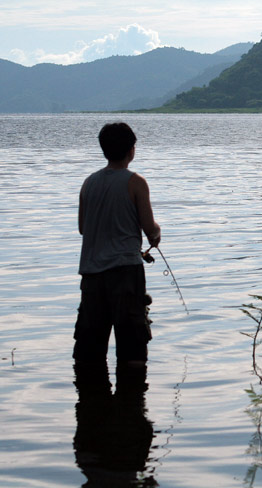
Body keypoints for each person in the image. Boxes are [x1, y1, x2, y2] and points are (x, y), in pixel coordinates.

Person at [73, 122, 161, 365]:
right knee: (132, 351)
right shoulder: (136, 182)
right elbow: (149, 227)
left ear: (104, 150)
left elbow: (83, 228)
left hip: (91, 275)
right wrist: (156, 233)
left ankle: (91, 398)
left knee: (89, 353)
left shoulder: (88, 183)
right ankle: (133, 399)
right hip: (125, 274)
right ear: (132, 150)